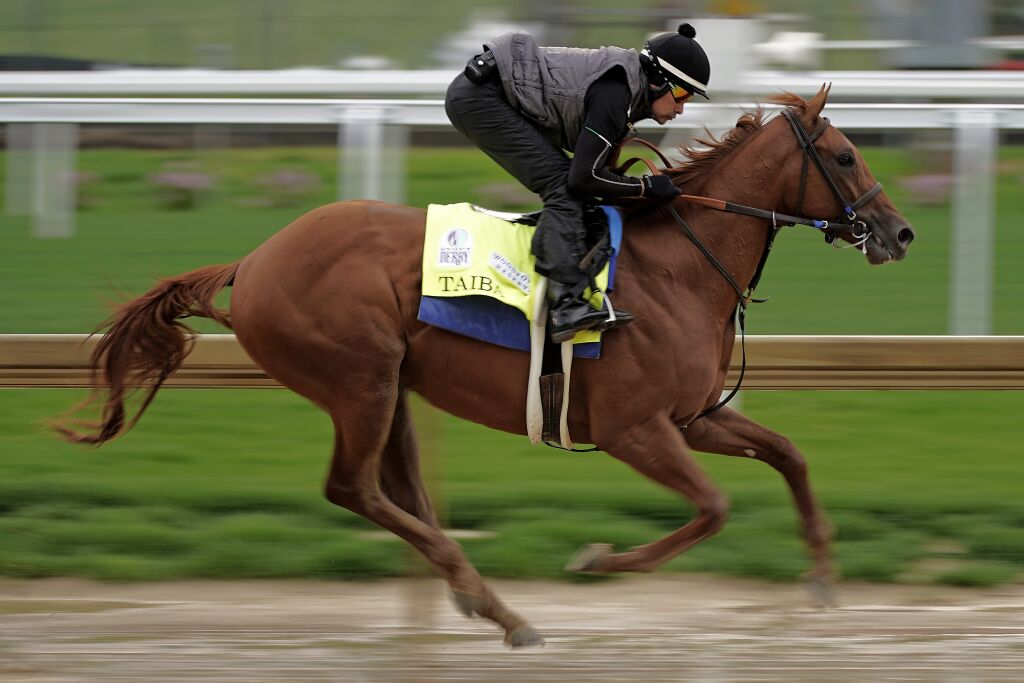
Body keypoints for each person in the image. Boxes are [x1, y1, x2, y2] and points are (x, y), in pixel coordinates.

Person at [445, 23, 711, 343]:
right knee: (563, 185)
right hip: (479, 98)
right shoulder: (616, 96)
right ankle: (566, 304)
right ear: (657, 81)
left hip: (491, 90)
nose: (682, 107)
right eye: (681, 93)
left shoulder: (627, 92)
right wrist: (645, 188)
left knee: (573, 185)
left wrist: (635, 188)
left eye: (690, 98)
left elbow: (599, 177)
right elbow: (584, 178)